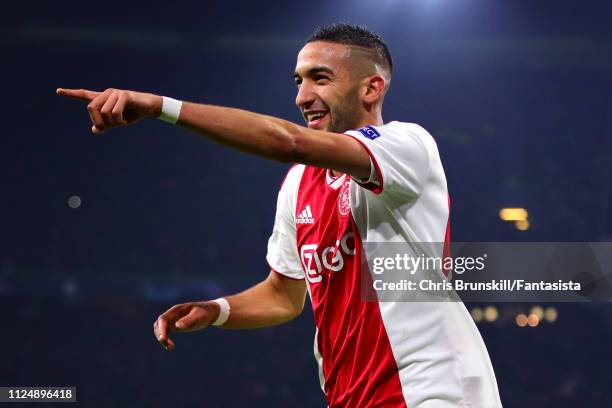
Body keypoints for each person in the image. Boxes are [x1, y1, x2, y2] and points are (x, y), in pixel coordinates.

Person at [58, 23, 502, 408]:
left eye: (320, 79)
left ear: (372, 88)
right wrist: (217, 309)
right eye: (298, 80)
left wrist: (160, 106)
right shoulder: (299, 184)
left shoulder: (406, 145)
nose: (302, 96)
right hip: (350, 395)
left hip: (432, 387)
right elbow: (284, 295)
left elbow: (287, 141)